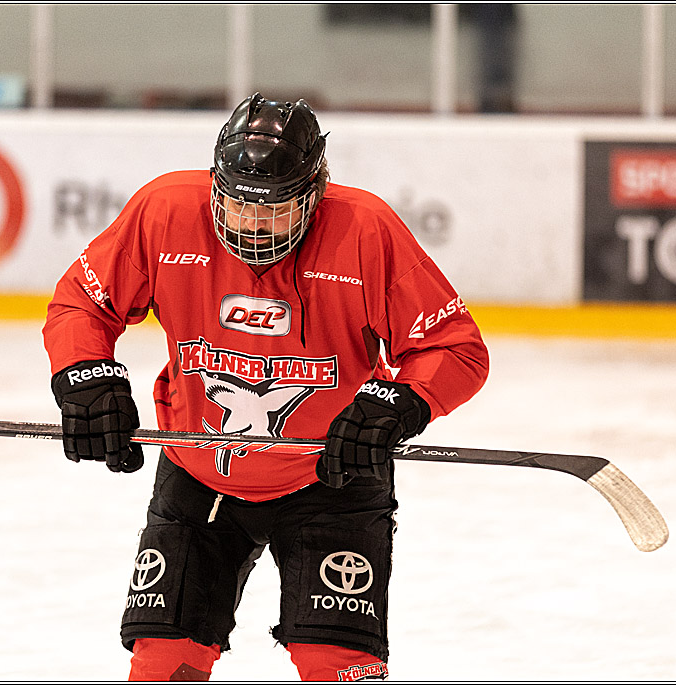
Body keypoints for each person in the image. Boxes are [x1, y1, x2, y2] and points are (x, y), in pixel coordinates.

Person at [43, 93, 489, 681]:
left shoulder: (365, 229)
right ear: (212, 186)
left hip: (333, 475)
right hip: (200, 472)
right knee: (162, 662)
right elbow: (83, 303)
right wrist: (86, 378)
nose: (254, 225)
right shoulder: (165, 212)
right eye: (237, 203)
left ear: (313, 195)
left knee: (338, 667)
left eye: (276, 208)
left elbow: (452, 346)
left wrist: (400, 404)